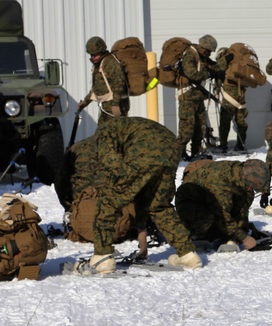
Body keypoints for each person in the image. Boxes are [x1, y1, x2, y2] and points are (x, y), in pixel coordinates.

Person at [79, 117, 202, 274]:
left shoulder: (104, 131)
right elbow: (142, 196)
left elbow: (110, 163)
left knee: (109, 201)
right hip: (171, 149)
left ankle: (102, 257)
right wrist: (142, 236)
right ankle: (188, 255)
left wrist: (114, 188)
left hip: (145, 150)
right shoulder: (128, 126)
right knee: (159, 206)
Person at [176, 159, 271, 252]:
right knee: (212, 227)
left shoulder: (240, 172)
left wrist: (243, 226)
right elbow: (223, 218)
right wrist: (244, 238)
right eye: (251, 187)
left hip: (209, 198)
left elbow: (243, 205)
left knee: (247, 195)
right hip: (190, 203)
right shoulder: (220, 185)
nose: (251, 189)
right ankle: (196, 232)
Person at [178, 35, 223, 158]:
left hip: (198, 97)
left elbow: (217, 67)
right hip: (187, 98)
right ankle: (180, 153)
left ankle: (196, 151)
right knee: (187, 129)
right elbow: (192, 74)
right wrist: (208, 73)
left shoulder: (201, 57)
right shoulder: (190, 55)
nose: (209, 54)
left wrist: (222, 64)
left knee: (200, 127)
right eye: (208, 51)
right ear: (203, 47)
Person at [78, 36, 129, 125]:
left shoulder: (111, 63)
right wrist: (85, 102)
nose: (93, 58)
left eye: (95, 55)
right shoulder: (99, 64)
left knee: (114, 131)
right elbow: (97, 87)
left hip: (115, 105)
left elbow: (119, 84)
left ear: (102, 52)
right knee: (102, 131)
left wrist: (115, 104)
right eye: (91, 55)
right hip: (106, 107)